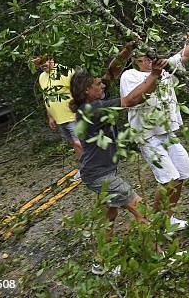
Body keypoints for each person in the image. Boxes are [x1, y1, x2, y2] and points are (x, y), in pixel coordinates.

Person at [69, 42, 168, 252]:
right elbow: (132, 100)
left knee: (109, 215)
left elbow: (111, 74)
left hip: (97, 172)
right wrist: (154, 75)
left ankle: (102, 262)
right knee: (140, 207)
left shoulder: (88, 105)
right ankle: (160, 256)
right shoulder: (94, 110)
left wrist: (127, 50)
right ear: (87, 90)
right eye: (98, 84)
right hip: (100, 175)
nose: (103, 85)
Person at [119, 30, 189, 231]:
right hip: (148, 136)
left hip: (168, 133)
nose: (149, 60)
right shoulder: (129, 76)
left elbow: (184, 55)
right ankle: (157, 225)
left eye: (151, 55)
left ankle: (168, 219)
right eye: (144, 57)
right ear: (135, 58)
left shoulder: (165, 69)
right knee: (169, 180)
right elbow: (133, 100)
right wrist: (155, 74)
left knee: (181, 175)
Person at [35, 56, 82, 181]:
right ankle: (84, 168)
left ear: (51, 58)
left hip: (72, 115)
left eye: (43, 62)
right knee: (74, 143)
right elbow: (46, 98)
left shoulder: (66, 71)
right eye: (39, 64)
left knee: (79, 143)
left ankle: (89, 167)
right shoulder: (42, 77)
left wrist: (79, 111)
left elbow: (77, 92)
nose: (42, 65)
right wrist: (50, 116)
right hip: (59, 118)